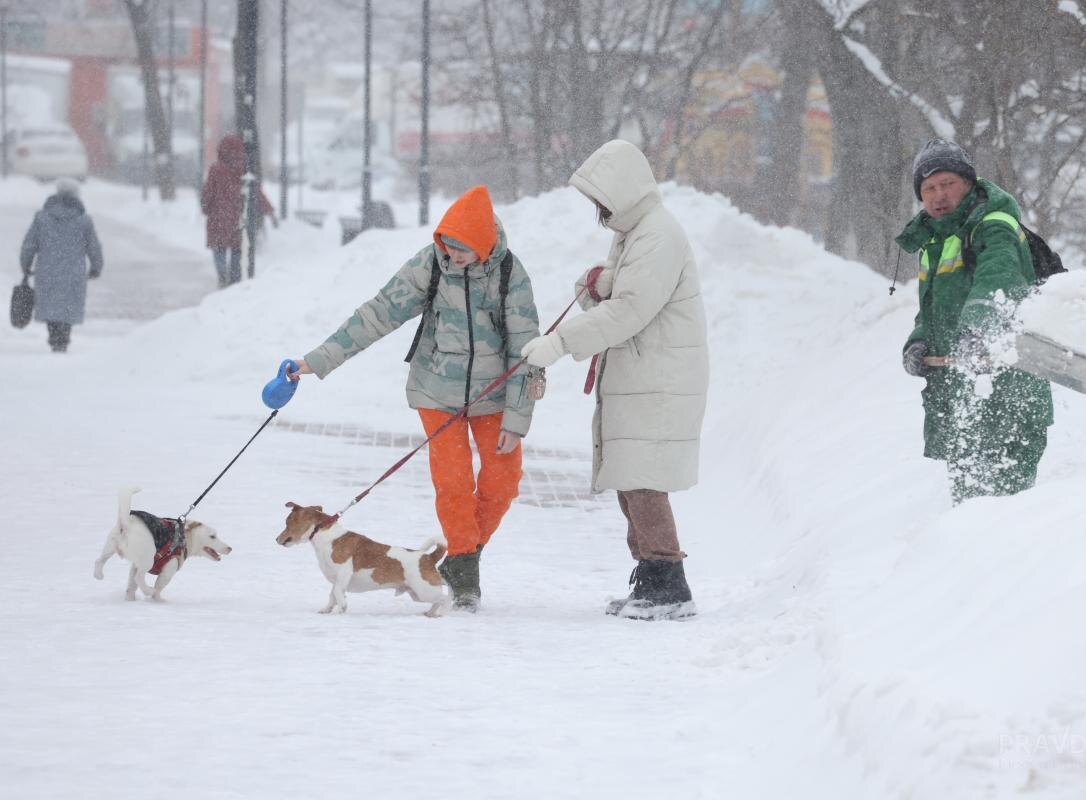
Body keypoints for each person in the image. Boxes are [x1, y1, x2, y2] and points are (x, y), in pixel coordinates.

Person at [286, 185, 541, 612]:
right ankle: (463, 569)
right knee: (454, 484)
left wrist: (517, 416)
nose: (453, 256)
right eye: (448, 246)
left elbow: (527, 349)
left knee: (503, 482)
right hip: (435, 392)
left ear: (484, 245)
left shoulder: (510, 275)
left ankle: (465, 555)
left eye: (463, 250)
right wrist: (318, 359)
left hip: (495, 396)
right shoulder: (431, 264)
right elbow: (378, 313)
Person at [521, 139, 709, 622]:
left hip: (658, 379)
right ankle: (650, 580)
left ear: (622, 191)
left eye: (602, 201)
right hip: (641, 373)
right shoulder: (635, 232)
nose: (599, 212)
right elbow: (628, 292)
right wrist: (602, 281)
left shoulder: (658, 235)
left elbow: (630, 311)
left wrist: (560, 342)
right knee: (630, 476)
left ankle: (669, 588)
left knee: (642, 479)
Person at [896, 138, 1053, 504]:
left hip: (1009, 387)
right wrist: (919, 342)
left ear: (968, 182)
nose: (938, 196)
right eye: (929, 188)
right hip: (962, 391)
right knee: (968, 505)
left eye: (947, 184)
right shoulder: (936, 242)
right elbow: (933, 308)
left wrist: (979, 327)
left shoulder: (993, 225)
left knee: (1004, 506)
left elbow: (998, 280)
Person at [19, 178, 104, 353]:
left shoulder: (42, 217)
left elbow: (29, 244)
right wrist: (96, 267)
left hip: (47, 272)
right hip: (73, 273)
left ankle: (54, 338)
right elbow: (93, 246)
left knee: (51, 307)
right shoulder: (83, 220)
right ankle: (63, 339)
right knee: (67, 308)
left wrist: (25, 264)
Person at [201, 133, 276, 288]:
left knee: (219, 249)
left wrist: (206, 207)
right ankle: (234, 280)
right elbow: (256, 192)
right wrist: (269, 210)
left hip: (218, 218)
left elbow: (208, 192)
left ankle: (222, 276)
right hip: (237, 219)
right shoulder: (244, 170)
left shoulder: (216, 170)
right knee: (236, 249)